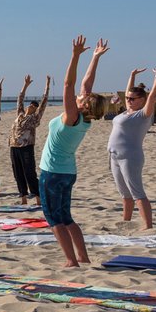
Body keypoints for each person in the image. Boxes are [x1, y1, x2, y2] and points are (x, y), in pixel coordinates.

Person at [39, 36, 110, 267]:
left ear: (84, 105)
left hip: (52, 173)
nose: (82, 94)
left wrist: (75, 56)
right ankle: (83, 256)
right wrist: (95, 58)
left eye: (83, 98)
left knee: (54, 219)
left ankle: (71, 260)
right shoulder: (84, 119)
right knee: (67, 217)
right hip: (68, 172)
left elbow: (69, 85)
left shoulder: (72, 117)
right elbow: (85, 86)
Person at [108, 68, 156, 230]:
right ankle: (126, 221)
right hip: (114, 156)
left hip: (130, 157)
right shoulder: (127, 111)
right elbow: (128, 92)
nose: (129, 100)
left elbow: (153, 96)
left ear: (142, 100)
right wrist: (132, 75)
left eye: (132, 99)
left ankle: (148, 226)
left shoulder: (142, 114)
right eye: (127, 98)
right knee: (124, 194)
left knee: (137, 192)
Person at [8, 75, 50, 205]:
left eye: (34, 106)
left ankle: (38, 198)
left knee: (29, 172)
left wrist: (47, 86)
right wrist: (25, 85)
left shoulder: (35, 118)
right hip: (14, 146)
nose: (32, 106)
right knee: (17, 172)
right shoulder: (20, 114)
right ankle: (23, 198)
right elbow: (20, 98)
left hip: (26, 147)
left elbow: (44, 102)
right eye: (31, 104)